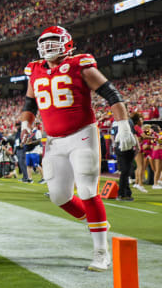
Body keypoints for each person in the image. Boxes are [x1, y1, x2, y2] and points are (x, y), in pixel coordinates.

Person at [19, 25, 136, 272]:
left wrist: (124, 125)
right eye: (45, 42)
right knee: (59, 196)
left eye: (54, 41)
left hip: (83, 134)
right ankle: (97, 222)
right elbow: (30, 103)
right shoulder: (35, 70)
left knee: (87, 190)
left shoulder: (79, 64)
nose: (48, 46)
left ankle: (101, 252)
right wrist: (26, 125)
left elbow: (111, 94)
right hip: (53, 140)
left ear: (68, 43)